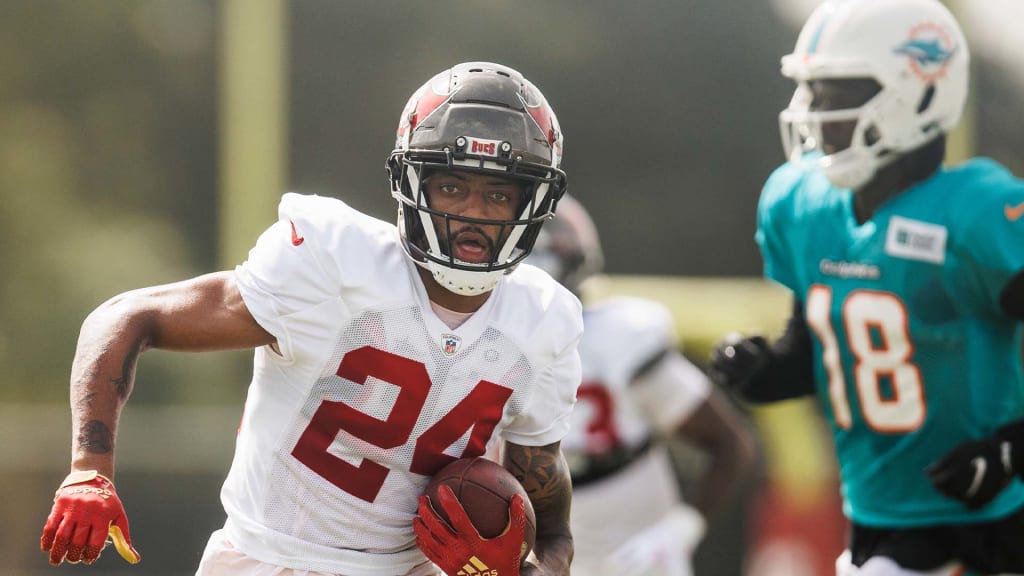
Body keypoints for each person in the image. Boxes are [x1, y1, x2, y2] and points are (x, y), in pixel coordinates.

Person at [40, 61, 584, 576]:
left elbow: (553, 527)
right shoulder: (332, 259)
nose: (471, 214)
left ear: (532, 203)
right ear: (413, 184)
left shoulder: (543, 321)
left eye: (497, 194)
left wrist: (537, 570)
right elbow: (127, 316)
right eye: (451, 187)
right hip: (268, 560)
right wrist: (90, 469)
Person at [708, 0, 1024, 574]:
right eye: (810, 92)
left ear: (918, 92)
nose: (813, 114)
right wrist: (764, 371)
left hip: (995, 521)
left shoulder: (976, 213)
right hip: (880, 521)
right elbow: (815, 349)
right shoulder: (800, 204)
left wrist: (1012, 450)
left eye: (837, 94)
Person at [524, 195, 757, 576]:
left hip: (636, 556)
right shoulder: (478, 350)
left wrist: (679, 531)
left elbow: (731, 443)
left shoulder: (621, 339)